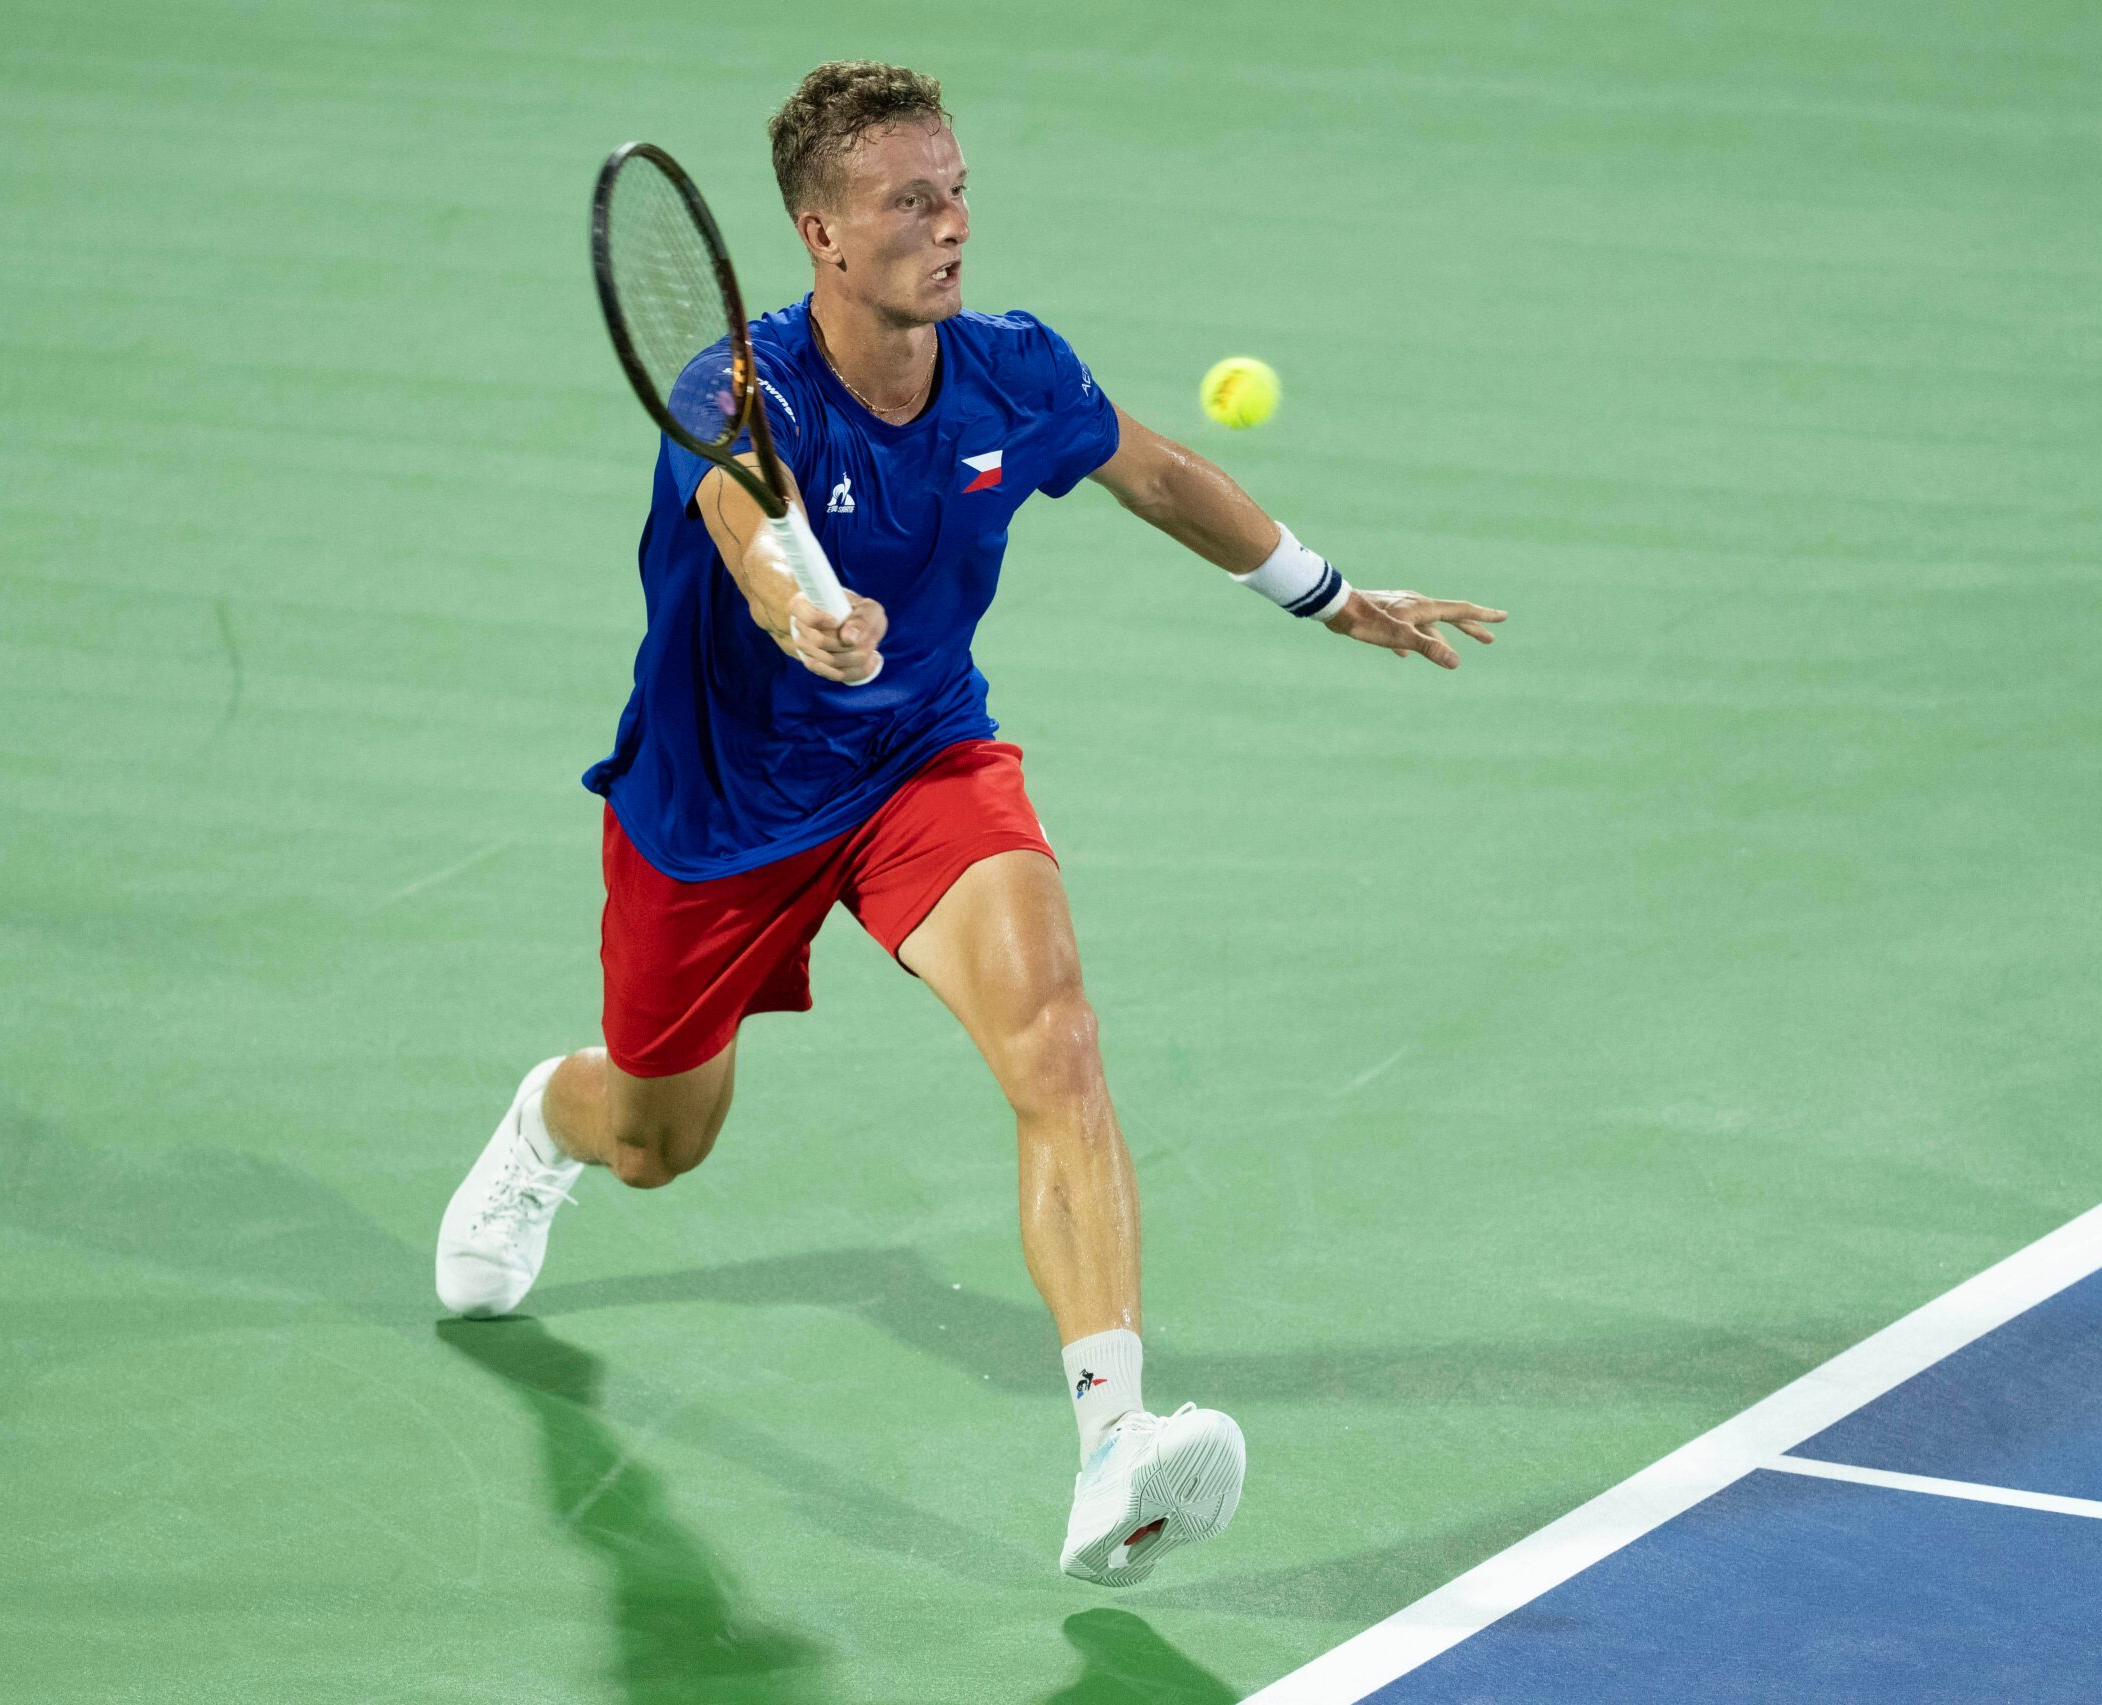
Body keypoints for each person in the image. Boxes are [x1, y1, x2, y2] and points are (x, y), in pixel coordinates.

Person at [435, 58, 1506, 1587]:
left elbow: (1155, 469)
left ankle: (1113, 1445)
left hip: (921, 761)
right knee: (662, 1138)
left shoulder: (1012, 368)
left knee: (1056, 1034)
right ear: (818, 231)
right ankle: (552, 1117)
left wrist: (1328, 592)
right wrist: (800, 612)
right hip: (720, 811)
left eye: (956, 192)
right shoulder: (739, 394)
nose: (949, 225)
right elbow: (745, 526)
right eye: (908, 201)